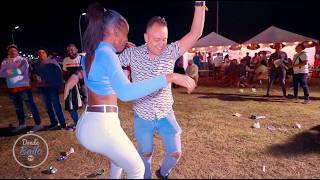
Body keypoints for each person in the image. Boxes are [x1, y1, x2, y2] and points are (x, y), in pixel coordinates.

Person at [63, 2, 195, 179]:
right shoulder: (108, 53)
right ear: (114, 33)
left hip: (88, 122)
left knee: (118, 161)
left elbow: (95, 71)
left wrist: (76, 76)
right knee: (137, 169)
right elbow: (126, 93)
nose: (126, 40)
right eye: (125, 34)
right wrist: (169, 77)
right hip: (102, 126)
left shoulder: (94, 51)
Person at [118, 2, 205, 178]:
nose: (161, 44)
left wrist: (199, 5)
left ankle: (163, 173)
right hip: (142, 115)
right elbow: (112, 63)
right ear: (145, 37)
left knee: (175, 153)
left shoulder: (170, 51)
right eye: (156, 39)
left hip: (166, 112)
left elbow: (195, 33)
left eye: (164, 38)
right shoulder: (133, 54)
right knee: (145, 153)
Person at [0, 44, 43, 133]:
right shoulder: (5, 61)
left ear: (17, 51)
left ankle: (38, 124)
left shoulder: (23, 60)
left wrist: (8, 71)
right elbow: (1, 73)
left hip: (23, 87)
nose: (12, 52)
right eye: (10, 51)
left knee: (31, 106)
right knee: (18, 108)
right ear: (8, 52)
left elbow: (20, 71)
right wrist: (14, 71)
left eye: (14, 50)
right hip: (12, 89)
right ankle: (22, 124)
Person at [34, 48, 67, 130]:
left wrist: (59, 85)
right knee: (48, 107)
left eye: (43, 52)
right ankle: (54, 122)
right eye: (39, 53)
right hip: (42, 88)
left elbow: (59, 73)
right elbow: (36, 74)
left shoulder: (52, 62)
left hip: (52, 87)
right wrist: (36, 77)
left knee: (56, 106)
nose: (41, 54)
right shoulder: (38, 64)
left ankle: (62, 123)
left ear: (46, 53)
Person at [62, 44, 84, 129]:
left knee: (86, 104)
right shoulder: (65, 60)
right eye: (68, 50)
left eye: (72, 49)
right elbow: (64, 73)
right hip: (71, 87)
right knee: (71, 106)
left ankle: (87, 123)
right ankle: (77, 123)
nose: (70, 51)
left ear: (76, 49)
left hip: (82, 85)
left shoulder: (82, 59)